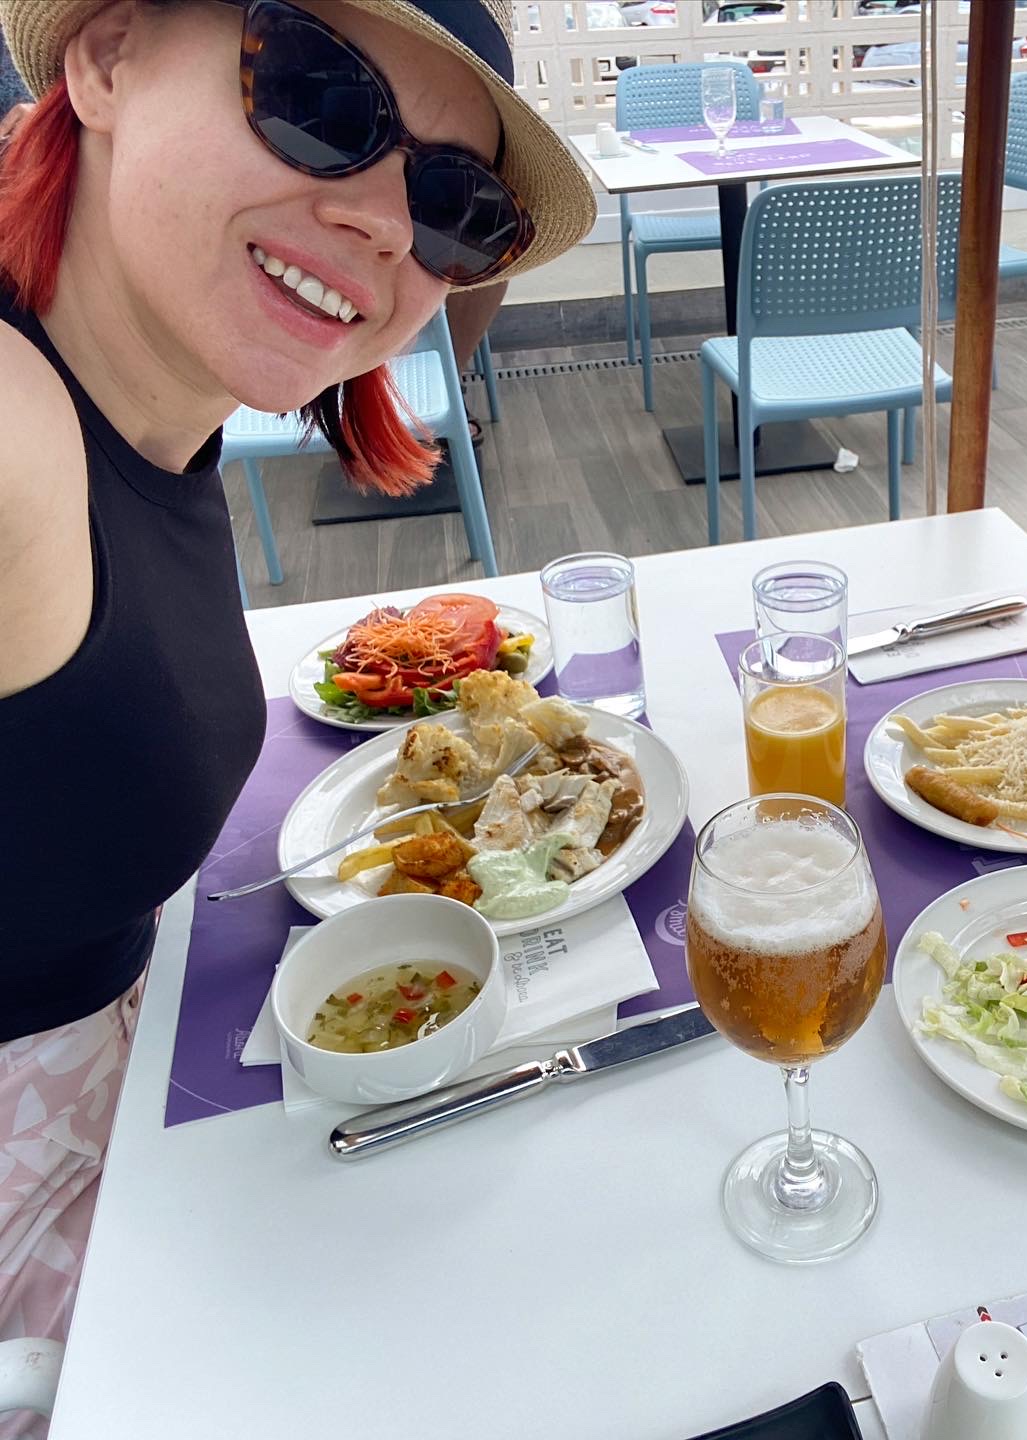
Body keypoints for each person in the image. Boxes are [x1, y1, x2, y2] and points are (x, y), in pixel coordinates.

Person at [0, 0, 595, 1398]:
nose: (390, 227)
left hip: (165, 1156)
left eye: (455, 204)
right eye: (325, 101)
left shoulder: (146, 415)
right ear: (106, 57)